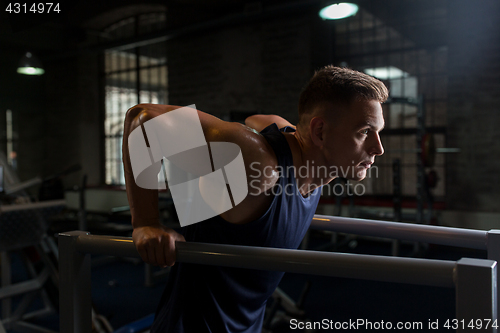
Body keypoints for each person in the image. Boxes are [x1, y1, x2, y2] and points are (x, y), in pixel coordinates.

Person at [122, 65, 388, 332]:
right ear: (319, 132)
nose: (379, 148)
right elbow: (143, 118)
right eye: (365, 131)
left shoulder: (312, 160)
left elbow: (260, 118)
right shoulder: (259, 166)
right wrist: (146, 222)